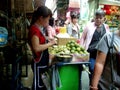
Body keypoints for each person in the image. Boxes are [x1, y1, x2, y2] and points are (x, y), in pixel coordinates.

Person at [28, 6, 57, 90]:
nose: (48, 22)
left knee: (42, 85)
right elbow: (36, 47)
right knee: (38, 86)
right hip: (38, 63)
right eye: (47, 19)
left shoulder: (37, 28)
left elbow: (39, 39)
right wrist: (51, 43)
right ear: (41, 18)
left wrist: (47, 38)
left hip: (42, 64)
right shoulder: (34, 30)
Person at [80, 10, 110, 79]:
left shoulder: (106, 27)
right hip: (91, 53)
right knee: (92, 70)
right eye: (97, 18)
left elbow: (108, 39)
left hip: (102, 53)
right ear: (94, 18)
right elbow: (82, 38)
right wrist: (81, 49)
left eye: (100, 18)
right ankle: (91, 85)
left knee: (100, 72)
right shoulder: (89, 26)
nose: (98, 19)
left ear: (104, 18)